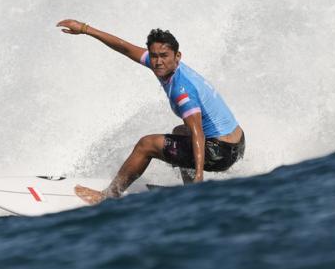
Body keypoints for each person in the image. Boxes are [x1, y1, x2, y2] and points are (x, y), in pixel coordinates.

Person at [56, 19, 245, 205]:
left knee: (146, 144)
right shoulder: (167, 67)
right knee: (179, 132)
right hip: (237, 144)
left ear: (177, 56)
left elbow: (197, 132)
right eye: (154, 56)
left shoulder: (182, 91)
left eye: (164, 56)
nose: (158, 62)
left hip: (221, 152)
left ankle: (108, 196)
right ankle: (190, 192)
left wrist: (199, 176)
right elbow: (125, 48)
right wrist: (85, 29)